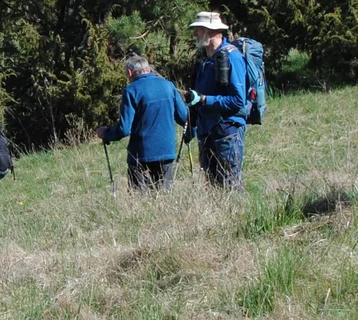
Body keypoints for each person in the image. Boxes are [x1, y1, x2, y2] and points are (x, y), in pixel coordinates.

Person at [97, 53, 190, 189]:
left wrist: (105, 133)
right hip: (166, 151)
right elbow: (185, 118)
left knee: (140, 200)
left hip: (140, 154)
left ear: (130, 72)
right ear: (149, 69)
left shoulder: (131, 91)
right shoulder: (168, 86)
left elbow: (124, 129)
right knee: (164, 197)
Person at [182, 13, 249, 188]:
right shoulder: (206, 61)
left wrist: (204, 100)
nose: (195, 33)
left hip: (227, 131)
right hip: (207, 132)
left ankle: (237, 215)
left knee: (230, 183)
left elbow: (238, 100)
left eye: (199, 29)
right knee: (212, 185)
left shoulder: (232, 57)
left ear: (212, 32)